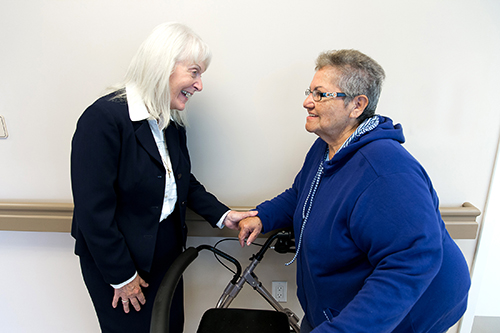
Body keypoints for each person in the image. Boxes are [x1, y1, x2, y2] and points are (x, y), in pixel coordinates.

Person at [228, 49, 471, 333]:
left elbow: (409, 263)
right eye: (310, 91)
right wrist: (263, 216)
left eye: (320, 94)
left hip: (410, 312)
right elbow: (301, 193)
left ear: (357, 105)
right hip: (339, 306)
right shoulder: (327, 147)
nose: (307, 102)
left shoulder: (385, 171)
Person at [70, 22, 256, 333]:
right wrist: (122, 277)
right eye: (194, 72)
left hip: (165, 251)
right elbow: (93, 212)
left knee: (169, 328)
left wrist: (224, 215)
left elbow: (183, 182)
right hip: (121, 259)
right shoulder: (103, 119)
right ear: (163, 66)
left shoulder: (170, 120)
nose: (199, 85)